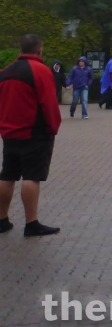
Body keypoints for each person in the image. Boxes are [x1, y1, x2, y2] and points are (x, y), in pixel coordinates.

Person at [0, 34, 62, 236]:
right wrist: (53, 128)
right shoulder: (40, 71)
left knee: (7, 175)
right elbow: (49, 103)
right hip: (33, 134)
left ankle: (2, 219)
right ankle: (31, 223)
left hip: (9, 133)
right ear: (39, 49)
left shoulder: (6, 72)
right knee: (31, 177)